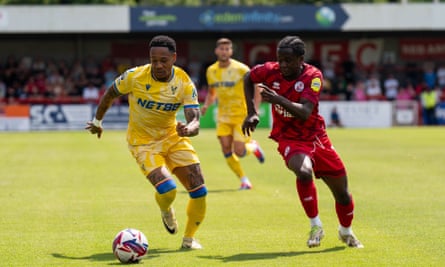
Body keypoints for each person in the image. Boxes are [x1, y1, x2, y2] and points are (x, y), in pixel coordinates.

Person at [86, 35, 207, 249]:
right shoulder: (134, 76)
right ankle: (165, 209)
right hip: (142, 143)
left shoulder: (184, 82)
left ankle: (189, 239)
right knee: (168, 190)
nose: (158, 65)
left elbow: (195, 119)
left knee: (199, 190)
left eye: (164, 60)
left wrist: (188, 129)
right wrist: (97, 121)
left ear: (174, 58)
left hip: (172, 137)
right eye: (154, 60)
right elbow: (110, 94)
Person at [242, 35, 363, 248]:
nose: (283, 65)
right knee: (304, 171)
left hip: (316, 137)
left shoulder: (313, 76)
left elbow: (305, 112)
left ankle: (346, 231)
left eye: (288, 60)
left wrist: (277, 98)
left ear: (301, 59)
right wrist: (251, 111)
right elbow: (247, 77)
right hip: (288, 137)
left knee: (342, 194)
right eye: (280, 59)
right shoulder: (271, 70)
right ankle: (316, 226)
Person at [201, 38, 265, 190]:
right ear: (216, 51)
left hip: (241, 116)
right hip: (223, 116)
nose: (224, 51)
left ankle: (254, 147)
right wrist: (206, 105)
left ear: (231, 51)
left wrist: (255, 109)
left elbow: (258, 86)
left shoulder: (241, 69)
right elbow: (212, 92)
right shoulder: (211, 70)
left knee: (240, 151)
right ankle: (244, 180)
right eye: (221, 49)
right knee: (225, 149)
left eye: (227, 49)